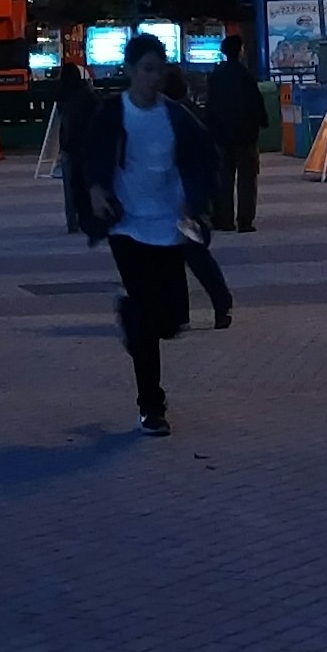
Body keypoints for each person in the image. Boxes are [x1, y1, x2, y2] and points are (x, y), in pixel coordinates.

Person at [64, 31, 223, 437]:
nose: (155, 78)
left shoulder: (177, 117)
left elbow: (206, 158)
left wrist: (195, 199)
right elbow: (92, 156)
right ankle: (151, 406)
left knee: (171, 321)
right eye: (148, 70)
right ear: (132, 71)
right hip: (127, 226)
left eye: (161, 69)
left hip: (169, 226)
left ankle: (130, 313)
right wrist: (98, 190)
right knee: (149, 325)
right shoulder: (113, 112)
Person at [203, 38, 264, 236]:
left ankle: (225, 219)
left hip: (221, 136)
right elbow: (255, 104)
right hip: (245, 136)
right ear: (240, 51)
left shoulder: (216, 76)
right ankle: (245, 220)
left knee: (224, 179)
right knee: (246, 179)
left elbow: (210, 106)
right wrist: (261, 122)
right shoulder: (245, 75)